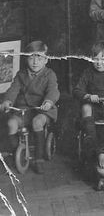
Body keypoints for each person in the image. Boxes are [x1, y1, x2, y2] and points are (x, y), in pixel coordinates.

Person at [0, 41, 60, 174]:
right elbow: (13, 90)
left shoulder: (49, 75)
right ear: (26, 58)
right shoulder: (21, 74)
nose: (35, 62)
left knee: (37, 122)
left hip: (42, 109)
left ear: (46, 60)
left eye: (39, 57)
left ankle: (38, 159)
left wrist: (49, 102)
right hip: (24, 110)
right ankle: (16, 152)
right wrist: (7, 101)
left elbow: (53, 91)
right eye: (31, 57)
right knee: (11, 124)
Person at [73, 41, 104, 159]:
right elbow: (77, 90)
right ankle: (92, 140)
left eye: (103, 59)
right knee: (86, 107)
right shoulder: (88, 73)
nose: (99, 63)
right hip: (94, 107)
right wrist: (88, 96)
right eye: (95, 59)